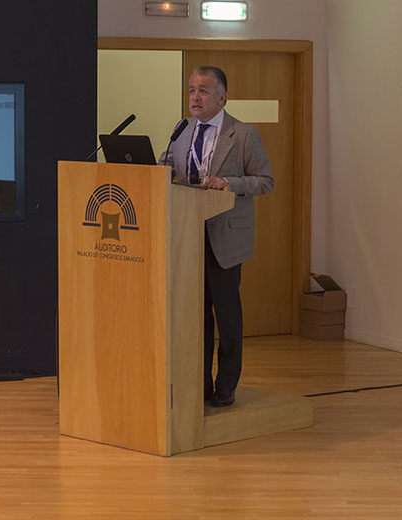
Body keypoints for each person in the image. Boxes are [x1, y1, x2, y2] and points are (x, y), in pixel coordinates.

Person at [160, 66, 274, 407]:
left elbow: (265, 180)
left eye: (203, 90)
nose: (195, 97)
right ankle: (199, 384)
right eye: (191, 90)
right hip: (187, 234)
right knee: (196, 317)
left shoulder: (243, 134)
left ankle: (226, 384)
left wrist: (229, 183)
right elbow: (167, 167)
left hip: (225, 237)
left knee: (226, 316)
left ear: (222, 97)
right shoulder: (182, 130)